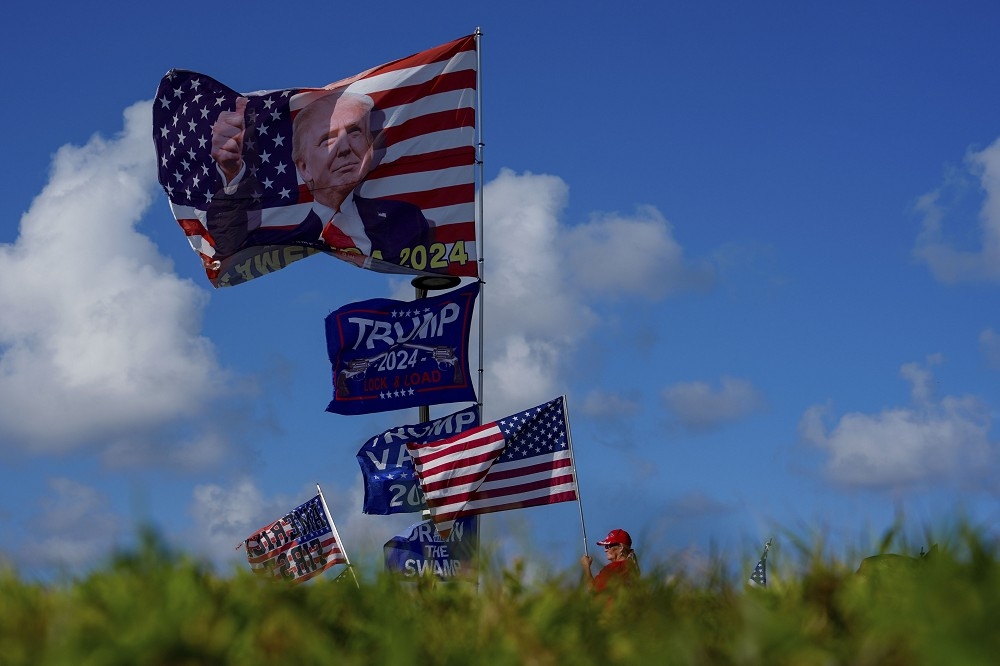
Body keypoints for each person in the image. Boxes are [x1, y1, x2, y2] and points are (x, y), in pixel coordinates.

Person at [207, 90, 431, 263]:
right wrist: (231, 175)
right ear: (304, 168)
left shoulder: (408, 220)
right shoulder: (283, 232)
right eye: (328, 140)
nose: (344, 148)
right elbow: (228, 244)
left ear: (370, 146)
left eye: (354, 132)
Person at [581, 528, 640, 593]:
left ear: (620, 547)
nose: (605, 550)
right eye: (605, 546)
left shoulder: (615, 567)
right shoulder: (631, 566)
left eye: (608, 546)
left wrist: (586, 567)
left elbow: (592, 589)